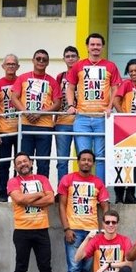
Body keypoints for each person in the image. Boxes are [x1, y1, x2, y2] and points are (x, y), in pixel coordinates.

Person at [57, 149, 110, 272]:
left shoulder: (98, 182)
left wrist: (104, 227)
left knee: (87, 270)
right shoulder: (68, 179)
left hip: (92, 233)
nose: (86, 162)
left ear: (93, 164)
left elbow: (105, 205)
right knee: (74, 268)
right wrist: (67, 228)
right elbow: (61, 205)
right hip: (74, 230)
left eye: (89, 160)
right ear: (78, 161)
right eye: (83, 159)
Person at [65, 33, 122, 183]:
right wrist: (71, 105)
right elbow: (70, 88)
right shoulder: (78, 65)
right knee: (83, 156)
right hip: (82, 118)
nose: (95, 47)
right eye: (92, 44)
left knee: (101, 156)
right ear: (87, 47)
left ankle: (100, 189)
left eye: (98, 45)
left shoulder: (110, 66)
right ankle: (84, 188)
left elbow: (116, 89)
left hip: (102, 119)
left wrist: (110, 107)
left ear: (102, 47)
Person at [7, 152, 56, 272]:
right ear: (15, 167)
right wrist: (39, 194)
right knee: (21, 267)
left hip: (41, 230)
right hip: (22, 231)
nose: (22, 164)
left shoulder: (42, 179)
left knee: (45, 267)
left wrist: (29, 199)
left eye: (25, 161)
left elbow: (50, 200)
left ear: (31, 162)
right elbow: (19, 200)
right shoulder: (13, 181)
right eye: (19, 162)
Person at [10, 49, 61, 181]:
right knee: (23, 161)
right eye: (38, 58)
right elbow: (14, 98)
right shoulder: (22, 78)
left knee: (43, 162)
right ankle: (24, 189)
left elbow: (57, 103)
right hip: (26, 125)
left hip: (45, 127)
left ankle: (43, 190)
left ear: (48, 62)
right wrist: (26, 112)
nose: (41, 61)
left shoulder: (52, 81)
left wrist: (40, 113)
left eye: (44, 59)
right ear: (33, 60)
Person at [111, 58, 136, 205]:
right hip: (123, 127)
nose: (134, 73)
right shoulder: (126, 84)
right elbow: (116, 101)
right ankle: (119, 196)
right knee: (121, 161)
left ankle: (130, 194)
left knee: (134, 161)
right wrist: (123, 116)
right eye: (131, 71)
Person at [0, 54, 20, 202]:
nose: (11, 66)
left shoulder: (22, 81)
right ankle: (2, 194)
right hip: (4, 130)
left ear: (18, 67)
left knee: (20, 164)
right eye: (8, 64)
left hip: (21, 131)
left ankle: (18, 193)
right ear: (3, 66)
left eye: (13, 64)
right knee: (4, 164)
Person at [54, 46, 79, 186]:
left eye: (73, 56)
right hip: (62, 122)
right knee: (62, 160)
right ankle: (62, 189)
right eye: (67, 56)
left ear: (78, 58)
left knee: (83, 158)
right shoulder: (61, 76)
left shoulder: (83, 74)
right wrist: (54, 121)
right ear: (64, 59)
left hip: (80, 121)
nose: (70, 58)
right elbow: (56, 99)